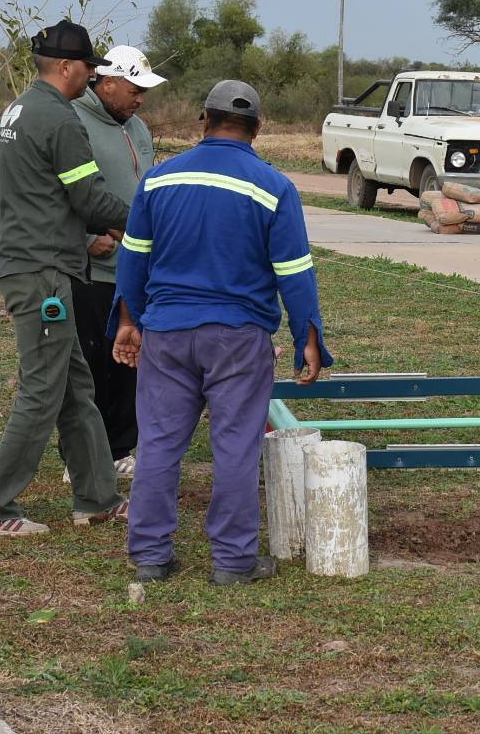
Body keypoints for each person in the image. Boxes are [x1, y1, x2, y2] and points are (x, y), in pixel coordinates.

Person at [111, 79, 332, 584]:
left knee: (160, 443)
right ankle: (233, 562)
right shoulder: (274, 187)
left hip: (166, 333)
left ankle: (149, 556)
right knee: (235, 446)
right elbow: (295, 273)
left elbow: (133, 261)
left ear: (203, 120)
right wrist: (308, 339)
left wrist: (130, 321)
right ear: (258, 129)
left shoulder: (159, 180)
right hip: (238, 337)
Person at [0, 20, 132, 536]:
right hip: (41, 273)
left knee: (75, 388)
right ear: (66, 67)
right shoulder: (60, 119)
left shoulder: (17, 109)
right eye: (88, 68)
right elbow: (88, 199)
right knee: (41, 391)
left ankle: (98, 497)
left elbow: (39, 194)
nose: (91, 77)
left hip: (32, 260)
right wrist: (148, 217)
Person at [66, 45, 166, 479]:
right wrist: (86, 237)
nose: (140, 98)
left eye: (144, 90)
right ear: (106, 83)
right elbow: (57, 191)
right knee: (89, 365)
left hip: (136, 269)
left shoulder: (138, 127)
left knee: (128, 361)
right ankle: (82, 456)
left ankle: (122, 446)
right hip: (92, 269)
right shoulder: (73, 121)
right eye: (134, 88)